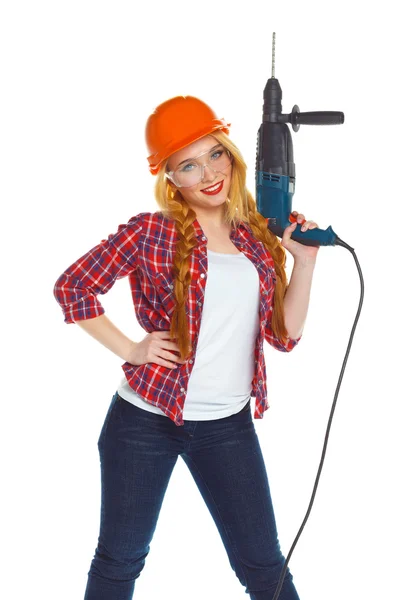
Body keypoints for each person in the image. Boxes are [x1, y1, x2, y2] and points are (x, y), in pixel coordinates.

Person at [53, 95, 319, 600]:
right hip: (144, 423)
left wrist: (303, 264)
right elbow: (73, 287)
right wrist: (131, 349)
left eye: (214, 154)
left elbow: (284, 336)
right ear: (171, 178)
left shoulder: (257, 236)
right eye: (188, 165)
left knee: (264, 567)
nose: (209, 172)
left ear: (232, 153)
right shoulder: (153, 231)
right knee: (120, 561)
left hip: (228, 427)